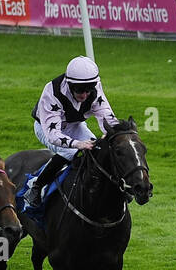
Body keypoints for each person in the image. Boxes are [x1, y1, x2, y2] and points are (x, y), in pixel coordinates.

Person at [24, 57, 120, 209]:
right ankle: (36, 187)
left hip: (75, 125)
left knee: (97, 151)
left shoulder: (94, 88)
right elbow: (53, 134)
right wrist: (77, 144)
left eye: (88, 89)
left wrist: (115, 133)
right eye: (79, 90)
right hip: (46, 128)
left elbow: (107, 117)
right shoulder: (52, 92)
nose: (84, 94)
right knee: (71, 152)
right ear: (69, 85)